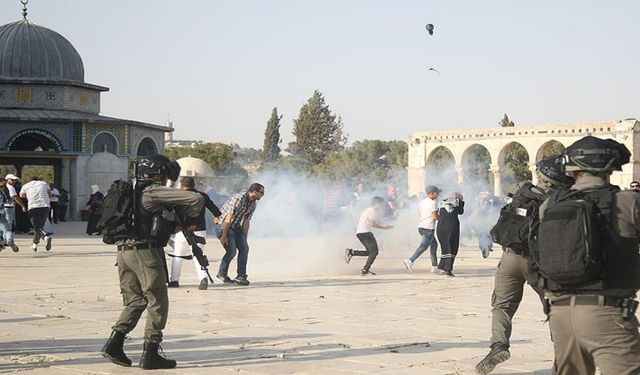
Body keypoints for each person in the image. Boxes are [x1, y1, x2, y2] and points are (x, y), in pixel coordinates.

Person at [534, 136, 640, 374]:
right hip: (606, 313)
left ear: (573, 170)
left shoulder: (549, 205)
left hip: (559, 315)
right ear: (611, 167)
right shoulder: (627, 202)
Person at [100, 154, 204, 369]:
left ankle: (114, 343)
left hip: (124, 252)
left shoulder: (128, 190)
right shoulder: (152, 191)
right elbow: (197, 199)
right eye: (165, 174)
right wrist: (190, 218)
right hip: (145, 253)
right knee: (157, 300)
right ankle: (151, 352)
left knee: (135, 301)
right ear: (157, 172)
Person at [475, 156, 574, 375]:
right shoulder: (558, 201)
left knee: (501, 306)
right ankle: (563, 353)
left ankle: (498, 345)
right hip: (538, 262)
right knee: (555, 307)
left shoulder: (522, 194)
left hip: (510, 257)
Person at [168, 177, 221, 290]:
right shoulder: (202, 195)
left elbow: (168, 210)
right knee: (198, 254)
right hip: (199, 229)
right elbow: (215, 210)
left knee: (178, 254)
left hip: (182, 229)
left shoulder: (178, 196)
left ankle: (174, 280)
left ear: (182, 186)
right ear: (194, 185)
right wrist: (217, 217)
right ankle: (203, 278)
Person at [215, 183, 264, 286]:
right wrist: (224, 235)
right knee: (232, 251)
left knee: (244, 248)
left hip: (236, 226)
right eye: (261, 192)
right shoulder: (239, 199)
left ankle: (241, 276)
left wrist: (244, 238)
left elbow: (246, 221)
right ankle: (221, 274)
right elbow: (229, 218)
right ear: (254, 191)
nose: (262, 195)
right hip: (223, 225)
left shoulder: (253, 203)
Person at [344, 196, 393, 275]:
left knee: (370, 252)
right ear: (377, 204)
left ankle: (352, 252)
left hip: (360, 233)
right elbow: (371, 223)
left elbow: (370, 222)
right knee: (374, 252)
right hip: (365, 233)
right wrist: (384, 227)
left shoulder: (368, 210)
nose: (382, 207)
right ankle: (365, 270)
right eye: (381, 205)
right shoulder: (372, 211)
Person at [403, 185, 440, 273]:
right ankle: (410, 260)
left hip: (421, 226)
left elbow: (420, 213)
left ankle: (434, 266)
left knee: (434, 244)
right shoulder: (433, 203)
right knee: (424, 246)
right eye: (437, 193)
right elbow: (435, 217)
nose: (438, 194)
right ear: (431, 193)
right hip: (429, 228)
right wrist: (443, 217)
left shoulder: (422, 202)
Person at [19, 177, 53, 252]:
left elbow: (21, 195)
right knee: (40, 226)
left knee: (37, 227)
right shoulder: (44, 183)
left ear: (30, 180)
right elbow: (50, 194)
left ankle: (43, 239)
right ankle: (36, 243)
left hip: (33, 207)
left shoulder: (26, 185)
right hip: (45, 206)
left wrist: (28, 194)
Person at [436, 192, 464, 276]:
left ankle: (442, 266)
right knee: (452, 248)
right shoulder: (457, 203)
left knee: (445, 248)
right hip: (452, 228)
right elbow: (461, 212)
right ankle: (447, 269)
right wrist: (462, 202)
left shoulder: (441, 203)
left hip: (440, 228)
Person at [0, 175, 26, 252]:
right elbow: (15, 197)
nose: (14, 182)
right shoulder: (9, 187)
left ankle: (2, 243)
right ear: (7, 179)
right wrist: (23, 206)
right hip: (9, 208)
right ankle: (9, 240)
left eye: (15, 180)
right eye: (12, 180)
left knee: (2, 227)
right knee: (7, 227)